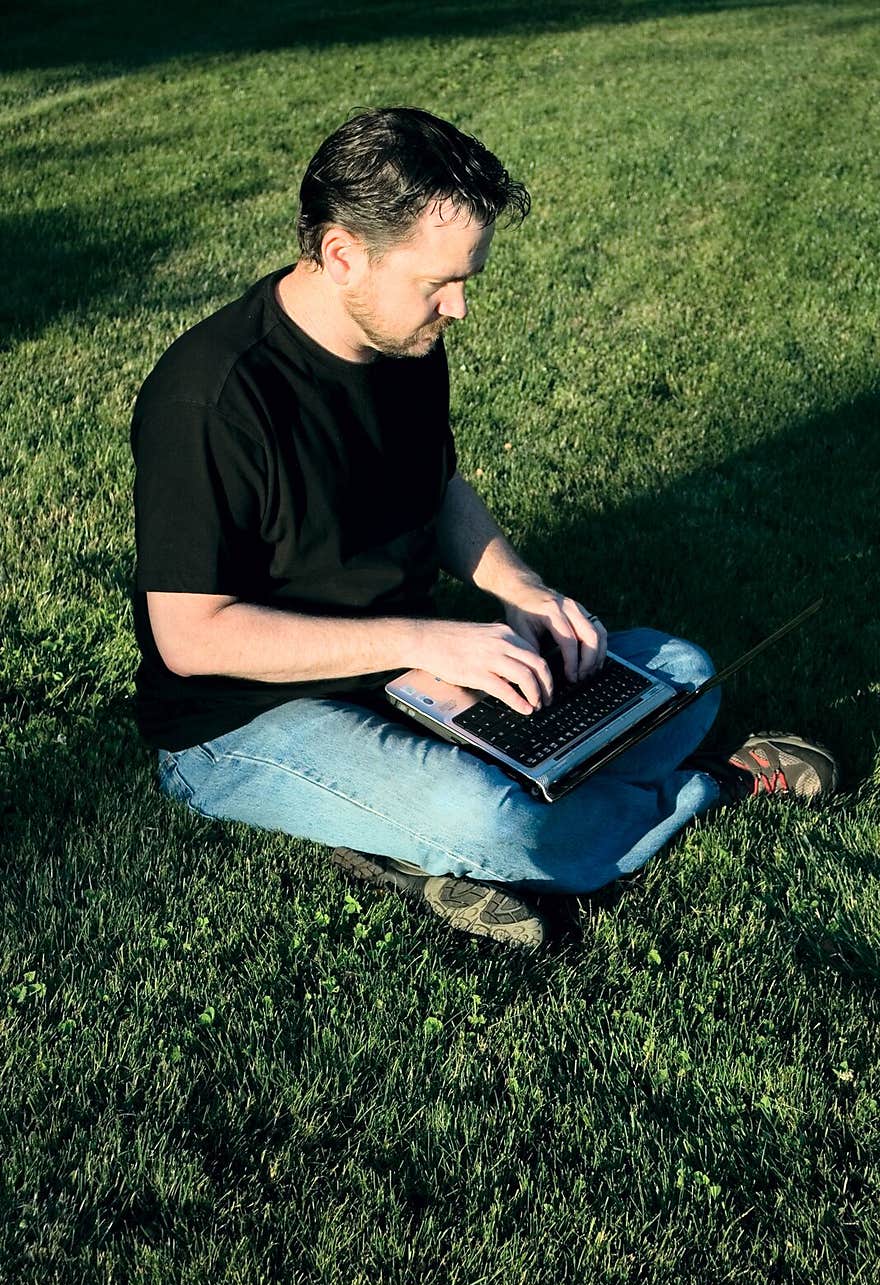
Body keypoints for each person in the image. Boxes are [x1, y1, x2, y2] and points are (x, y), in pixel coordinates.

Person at [131, 106, 839, 949]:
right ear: (341, 254)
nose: (458, 307)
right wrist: (428, 639)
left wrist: (520, 589)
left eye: (465, 278)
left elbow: (435, 490)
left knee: (683, 677)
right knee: (506, 825)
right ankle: (706, 788)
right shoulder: (209, 400)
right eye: (437, 283)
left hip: (404, 672)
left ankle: (415, 834)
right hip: (244, 721)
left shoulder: (405, 343)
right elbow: (192, 639)